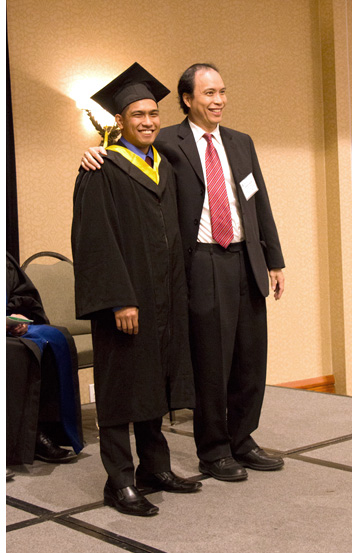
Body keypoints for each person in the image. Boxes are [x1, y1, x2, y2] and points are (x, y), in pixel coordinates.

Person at [81, 63, 286, 482]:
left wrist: (274, 259)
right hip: (203, 261)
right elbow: (122, 157)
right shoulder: (168, 141)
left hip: (246, 259)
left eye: (222, 92)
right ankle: (214, 449)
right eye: (208, 93)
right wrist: (92, 150)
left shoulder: (241, 143)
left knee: (251, 357)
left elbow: (257, 202)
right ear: (188, 100)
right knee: (212, 361)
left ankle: (243, 438)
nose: (218, 100)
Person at [71, 63, 200, 517]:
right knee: (121, 388)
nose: (147, 121)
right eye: (137, 115)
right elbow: (94, 241)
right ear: (119, 121)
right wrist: (119, 298)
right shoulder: (101, 168)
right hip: (126, 301)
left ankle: (155, 468)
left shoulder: (163, 163)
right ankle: (119, 480)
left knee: (153, 382)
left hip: (165, 298)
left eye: (153, 114)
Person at [6, 254, 83, 465]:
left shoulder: (1, 257)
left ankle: (51, 430)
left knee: (56, 338)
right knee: (20, 352)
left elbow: (24, 294)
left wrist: (18, 314)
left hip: (8, 326)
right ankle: (31, 436)